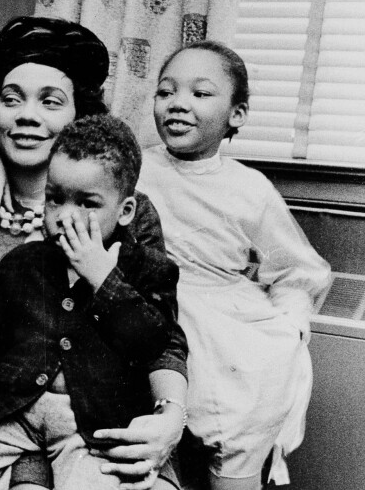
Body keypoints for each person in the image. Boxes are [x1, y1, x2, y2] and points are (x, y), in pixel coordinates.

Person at [0, 16, 187, 490]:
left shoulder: (128, 220)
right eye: (11, 99)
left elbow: (161, 337)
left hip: (89, 428)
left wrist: (171, 416)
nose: (27, 115)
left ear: (79, 118)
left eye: (51, 101)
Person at [138, 40, 331, 490]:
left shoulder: (249, 188)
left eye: (201, 94)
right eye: (166, 92)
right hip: (149, 319)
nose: (179, 104)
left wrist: (289, 325)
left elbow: (296, 270)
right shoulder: (133, 168)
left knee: (235, 451)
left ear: (236, 115)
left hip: (227, 336)